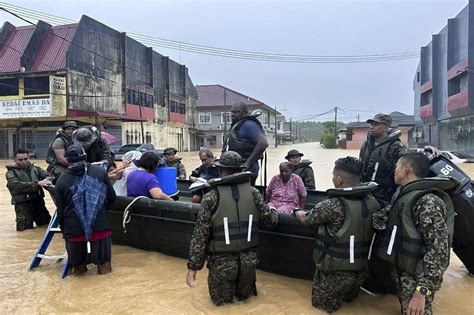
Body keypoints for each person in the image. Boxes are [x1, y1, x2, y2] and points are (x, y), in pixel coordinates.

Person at [186, 151, 278, 306]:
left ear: (220, 170)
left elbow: (200, 235)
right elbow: (270, 220)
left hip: (221, 264)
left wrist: (193, 267)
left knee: (222, 307)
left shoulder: (211, 197)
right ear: (240, 170)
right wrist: (273, 209)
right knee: (245, 303)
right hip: (248, 262)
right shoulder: (254, 193)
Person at [294, 157, 380, 313]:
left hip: (334, 275)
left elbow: (307, 220)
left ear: (339, 179)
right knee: (350, 307)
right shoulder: (372, 202)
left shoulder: (332, 204)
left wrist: (297, 211)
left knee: (321, 310)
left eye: (334, 175)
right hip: (360, 272)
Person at [375, 152, 455, 315]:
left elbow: (439, 249)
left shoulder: (428, 201)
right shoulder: (403, 193)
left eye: (397, 166)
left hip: (417, 279)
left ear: (406, 169)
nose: (394, 171)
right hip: (403, 271)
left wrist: (422, 292)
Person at [55, 144, 116, 275]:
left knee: (79, 270)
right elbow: (111, 198)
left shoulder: (61, 179)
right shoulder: (99, 172)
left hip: (74, 230)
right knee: (104, 267)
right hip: (99, 227)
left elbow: (60, 211)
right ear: (85, 156)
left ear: (68, 160)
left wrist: (66, 232)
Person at [5, 149, 54, 231]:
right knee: (24, 231)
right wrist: (37, 183)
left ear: (29, 158)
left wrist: (47, 180)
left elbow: (50, 176)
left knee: (46, 226)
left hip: (38, 202)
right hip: (23, 205)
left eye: (26, 159)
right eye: (20, 160)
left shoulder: (35, 169)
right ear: (14, 159)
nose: (23, 161)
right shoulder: (11, 173)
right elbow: (15, 186)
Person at [224, 101, 268, 183]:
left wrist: (247, 163)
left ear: (245, 113)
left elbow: (263, 143)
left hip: (246, 171)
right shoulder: (236, 125)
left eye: (237, 112)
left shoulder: (249, 125)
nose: (233, 114)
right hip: (235, 169)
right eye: (232, 112)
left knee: (245, 195)